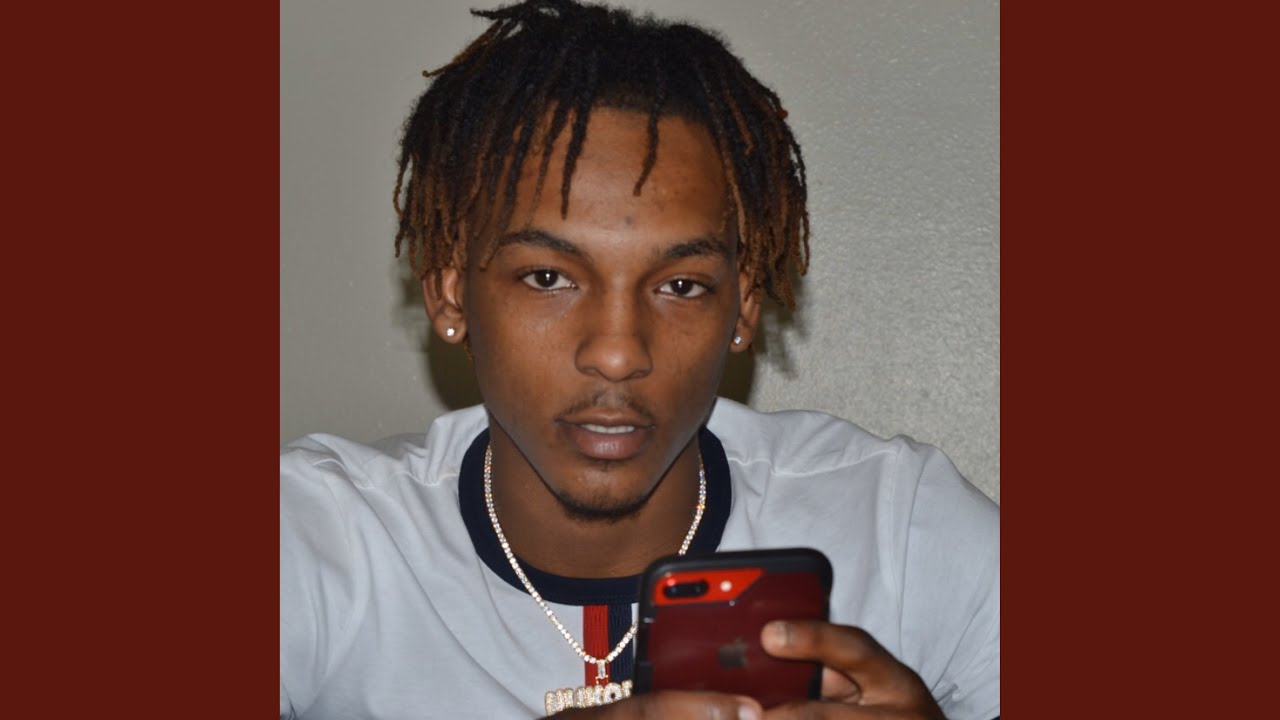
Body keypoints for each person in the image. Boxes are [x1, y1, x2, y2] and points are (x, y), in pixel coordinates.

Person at [279, 1, 999, 718]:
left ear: (744, 306)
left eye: (681, 286)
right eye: (548, 278)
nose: (618, 354)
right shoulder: (318, 538)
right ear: (450, 294)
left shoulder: (900, 529)